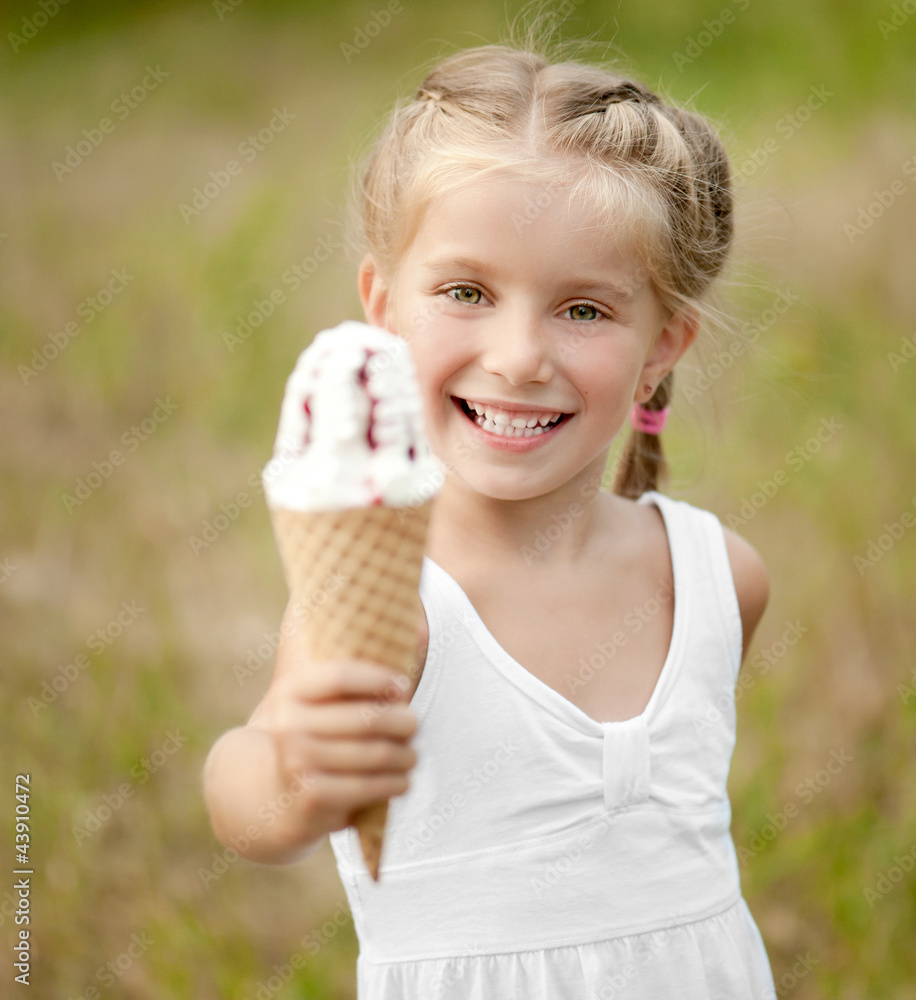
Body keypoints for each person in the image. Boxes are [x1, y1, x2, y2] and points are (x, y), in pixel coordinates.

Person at [204, 33, 778, 1000]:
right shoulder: (399, 612)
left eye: (584, 310)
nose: (518, 356)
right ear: (384, 309)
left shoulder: (719, 576)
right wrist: (294, 769)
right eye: (466, 292)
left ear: (661, 345)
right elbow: (246, 793)